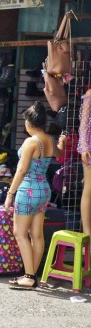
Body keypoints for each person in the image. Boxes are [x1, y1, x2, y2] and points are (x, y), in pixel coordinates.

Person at [4, 102, 57, 289]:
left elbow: (21, 169)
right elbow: (59, 154)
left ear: (29, 122)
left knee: (19, 233)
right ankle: (32, 275)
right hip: (44, 190)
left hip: (28, 190)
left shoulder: (31, 141)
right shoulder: (49, 140)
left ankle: (28, 276)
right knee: (37, 235)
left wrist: (10, 193)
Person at [78, 88, 91, 234]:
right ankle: (88, 234)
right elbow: (84, 123)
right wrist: (84, 146)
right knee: (89, 189)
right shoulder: (90, 94)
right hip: (90, 147)